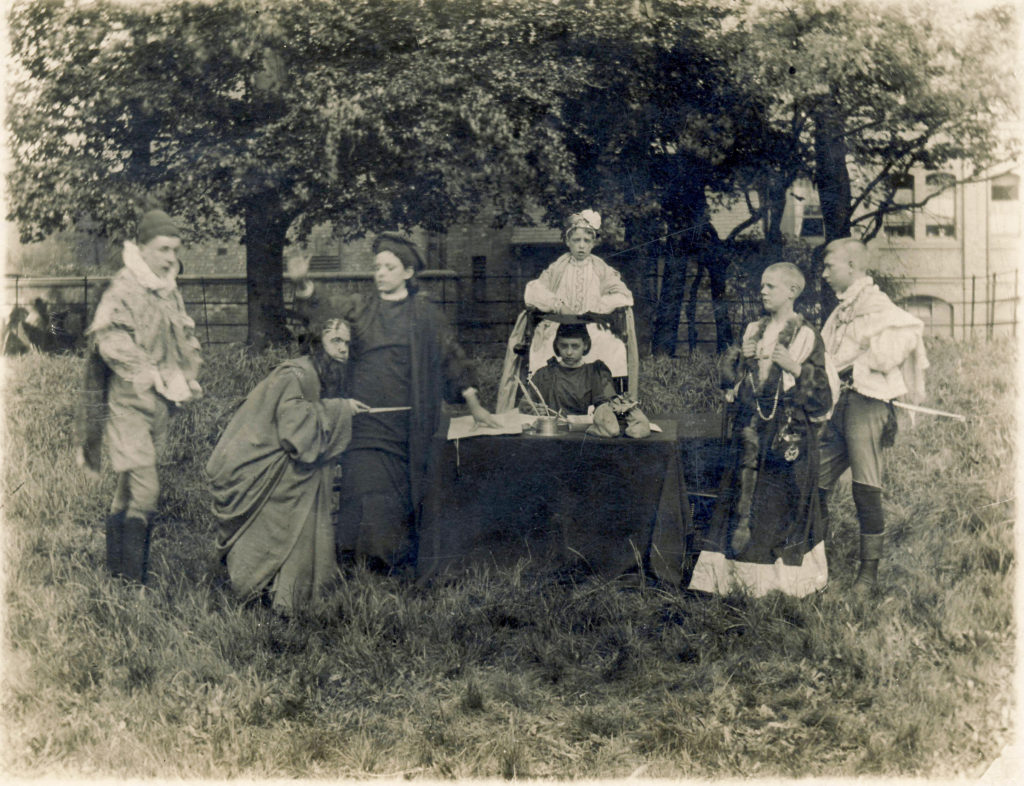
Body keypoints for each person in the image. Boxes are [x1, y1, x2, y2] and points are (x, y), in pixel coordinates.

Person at [288, 232, 501, 572]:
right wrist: (303, 284)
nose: (381, 273)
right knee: (364, 490)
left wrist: (474, 404)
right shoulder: (361, 308)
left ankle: (391, 567)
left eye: (389, 267)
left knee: (400, 498)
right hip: (365, 423)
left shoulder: (425, 314)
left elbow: (452, 358)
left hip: (410, 426)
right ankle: (357, 565)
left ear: (408, 272)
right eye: (377, 267)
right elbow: (324, 311)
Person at [689, 263, 836, 598]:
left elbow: (821, 399)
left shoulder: (806, 335)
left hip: (787, 437)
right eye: (762, 286)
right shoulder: (753, 330)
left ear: (792, 292)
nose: (763, 292)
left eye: (770, 286)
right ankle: (734, 581)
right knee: (740, 501)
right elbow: (732, 384)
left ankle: (778, 585)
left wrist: (794, 367)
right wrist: (741, 359)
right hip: (751, 431)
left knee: (777, 504)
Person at [207, 312, 369, 614]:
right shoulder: (295, 375)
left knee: (311, 475)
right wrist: (340, 409)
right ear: (315, 344)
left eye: (347, 342)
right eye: (335, 340)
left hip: (279, 455)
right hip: (256, 464)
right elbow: (295, 433)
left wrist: (338, 408)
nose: (343, 349)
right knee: (302, 478)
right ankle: (261, 586)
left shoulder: (316, 376)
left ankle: (290, 589)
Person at [75, 209, 203, 584]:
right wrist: (148, 371)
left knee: (128, 485)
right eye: (163, 249)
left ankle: (116, 571)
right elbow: (110, 339)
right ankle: (134, 581)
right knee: (147, 489)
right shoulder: (124, 287)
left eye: (175, 250)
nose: (170, 258)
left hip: (159, 405)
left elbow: (185, 337)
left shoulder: (168, 290)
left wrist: (186, 374)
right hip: (127, 403)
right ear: (142, 248)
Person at [818, 238, 928, 596]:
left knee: (865, 487)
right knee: (814, 477)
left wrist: (865, 360)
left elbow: (907, 332)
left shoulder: (878, 305)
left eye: (829, 266)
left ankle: (868, 576)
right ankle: (814, 561)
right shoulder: (841, 310)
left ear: (851, 266)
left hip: (868, 404)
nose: (824, 273)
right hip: (838, 405)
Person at [523, 209, 633, 379]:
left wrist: (598, 306)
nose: (581, 245)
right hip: (560, 326)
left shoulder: (601, 269)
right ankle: (548, 394)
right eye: (576, 240)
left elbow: (624, 295)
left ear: (593, 243)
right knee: (545, 346)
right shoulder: (557, 268)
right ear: (568, 241)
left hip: (591, 326)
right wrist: (558, 305)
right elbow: (534, 291)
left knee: (612, 346)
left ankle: (605, 397)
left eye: (587, 240)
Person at [518, 322, 615, 416]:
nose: (569, 352)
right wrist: (534, 409)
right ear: (557, 345)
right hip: (551, 430)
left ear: (585, 345)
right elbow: (525, 404)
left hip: (581, 430)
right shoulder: (544, 374)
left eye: (575, 346)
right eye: (564, 346)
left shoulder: (593, 373)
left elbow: (607, 407)